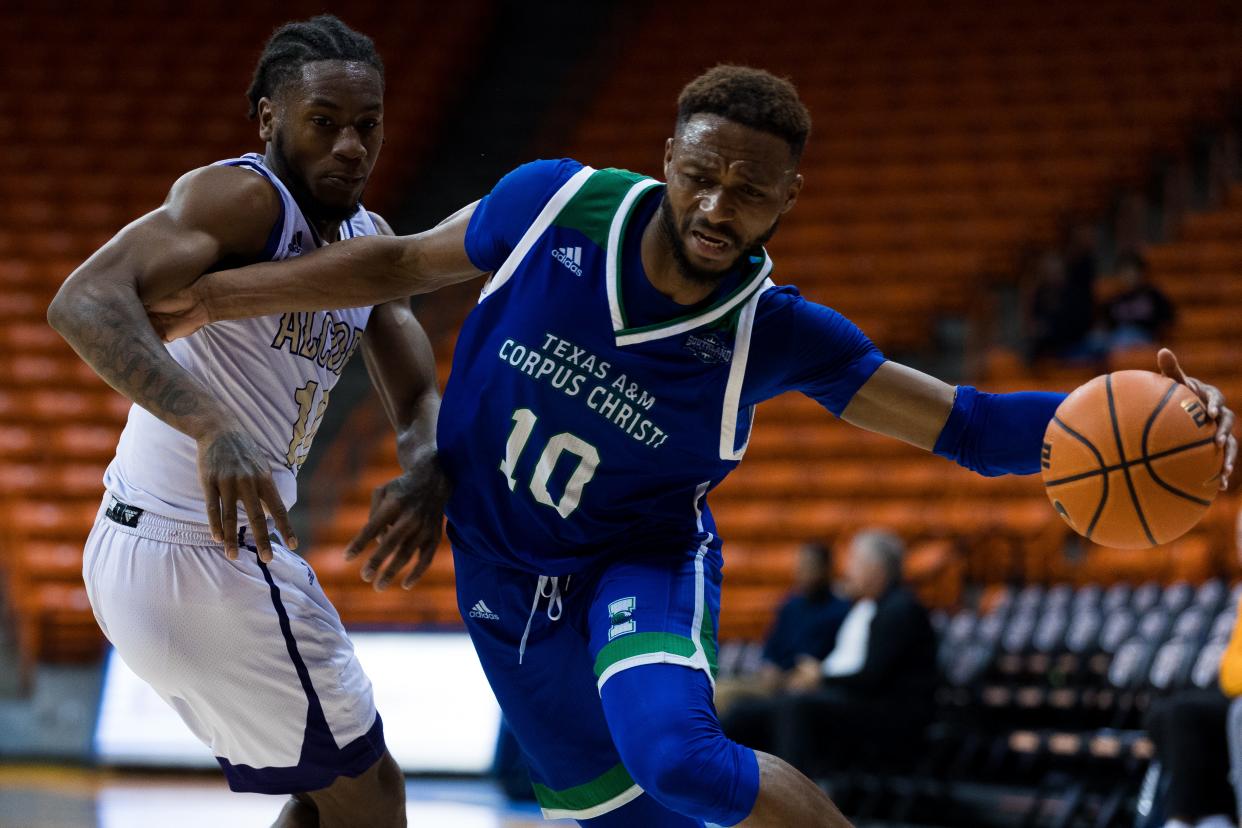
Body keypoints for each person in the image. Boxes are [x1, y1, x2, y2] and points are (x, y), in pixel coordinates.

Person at [146, 65, 1237, 828]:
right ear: (669, 155)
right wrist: (216, 298)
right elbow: (394, 270)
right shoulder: (554, 204)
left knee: (680, 759)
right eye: (704, 174)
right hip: (497, 568)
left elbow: (959, 421)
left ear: (787, 198)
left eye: (752, 190)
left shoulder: (776, 332)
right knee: (623, 814)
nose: (720, 205)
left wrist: (1146, 426)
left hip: (638, 564)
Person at [48, 16, 448, 827]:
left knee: (329, 793)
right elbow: (80, 301)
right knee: (375, 802)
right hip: (199, 555)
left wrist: (424, 463)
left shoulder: (366, 241)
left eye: (366, 126)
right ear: (268, 118)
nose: (349, 147)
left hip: (165, 554)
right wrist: (211, 425)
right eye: (324, 123)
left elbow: (412, 392)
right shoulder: (245, 200)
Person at [714, 541, 850, 718]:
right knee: (718, 692)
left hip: (810, 683)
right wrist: (769, 665)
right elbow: (772, 645)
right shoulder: (790, 605)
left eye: (809, 566)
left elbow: (838, 657)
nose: (802, 572)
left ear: (825, 569)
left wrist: (816, 673)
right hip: (776, 680)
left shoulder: (840, 610)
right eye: (800, 565)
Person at [1098, 251, 1176, 351]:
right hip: (1117, 342)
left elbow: (1169, 319)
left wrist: (1159, 335)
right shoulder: (1114, 299)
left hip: (1146, 341)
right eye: (1124, 271)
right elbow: (1105, 326)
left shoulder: (1152, 295)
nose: (1128, 275)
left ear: (1141, 272)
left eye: (1132, 271)